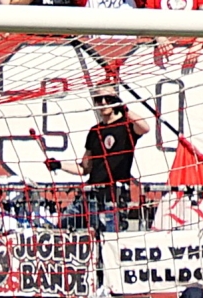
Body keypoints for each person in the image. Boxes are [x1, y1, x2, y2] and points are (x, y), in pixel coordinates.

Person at [49, 89, 151, 229]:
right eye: (99, 99)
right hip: (91, 195)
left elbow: (145, 127)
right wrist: (59, 164)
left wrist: (126, 110)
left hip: (113, 197)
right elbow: (85, 168)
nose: (103, 103)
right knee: (62, 228)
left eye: (107, 99)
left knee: (108, 241)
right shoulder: (94, 132)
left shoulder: (126, 126)